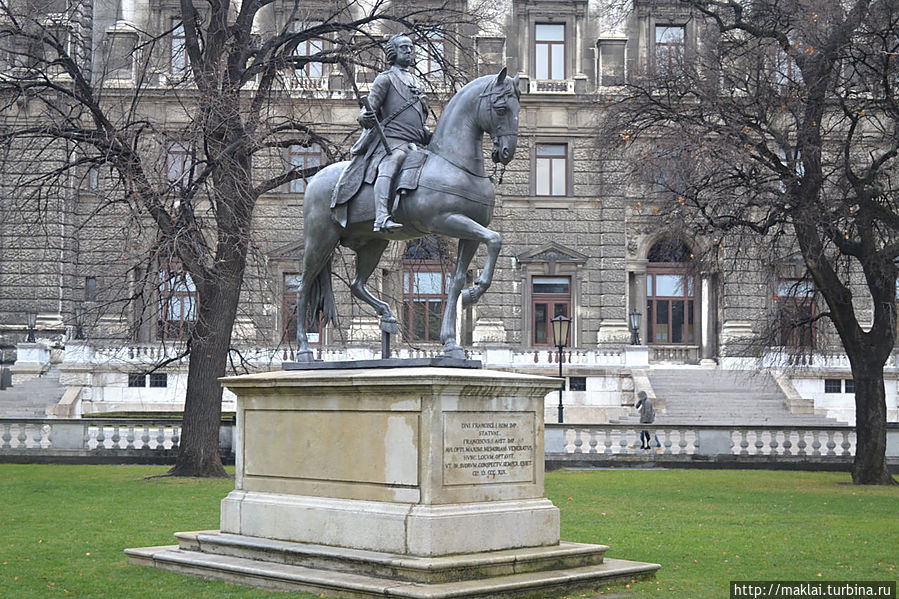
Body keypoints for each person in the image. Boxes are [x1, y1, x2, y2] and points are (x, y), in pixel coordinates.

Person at [331, 33, 432, 232]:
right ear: (393, 53)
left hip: (417, 141)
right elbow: (366, 112)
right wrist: (365, 118)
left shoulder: (417, 82)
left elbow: (420, 117)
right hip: (392, 140)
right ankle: (382, 217)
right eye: (404, 48)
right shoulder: (385, 79)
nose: (409, 51)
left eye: (411, 48)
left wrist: (428, 133)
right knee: (393, 161)